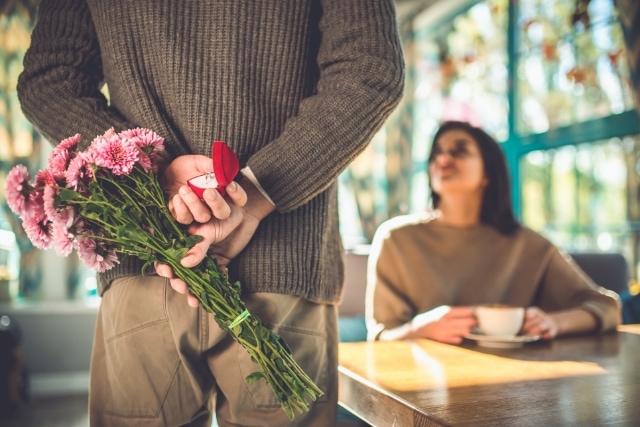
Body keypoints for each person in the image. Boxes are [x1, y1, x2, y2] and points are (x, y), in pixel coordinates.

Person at [17, 1, 405, 426]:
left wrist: (157, 174)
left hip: (150, 264)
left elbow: (50, 79)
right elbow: (370, 70)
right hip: (282, 272)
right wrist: (254, 195)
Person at [366, 121, 620, 345]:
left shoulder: (528, 245)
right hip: (420, 387)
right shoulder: (395, 238)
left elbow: (607, 306)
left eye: (459, 151)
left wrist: (554, 323)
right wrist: (420, 329)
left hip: (514, 386)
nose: (443, 160)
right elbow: (380, 337)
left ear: (488, 173)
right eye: (437, 153)